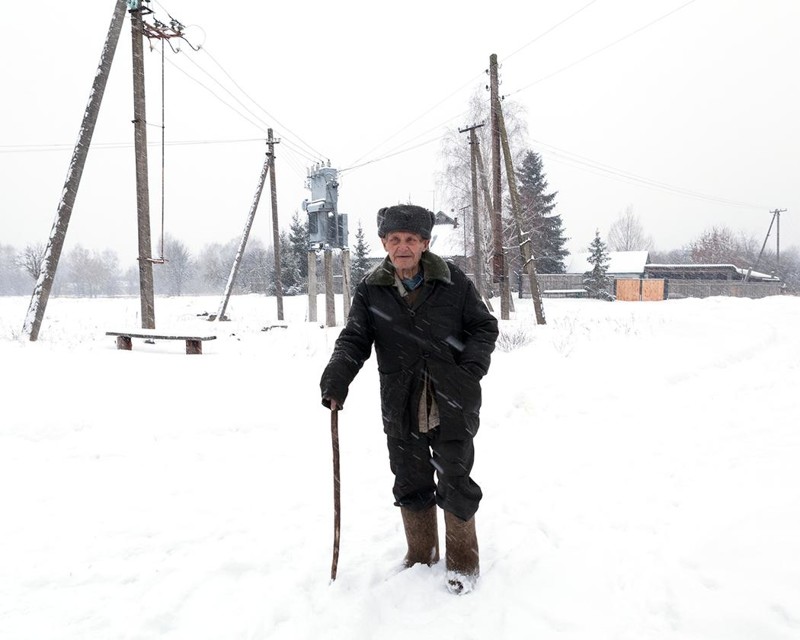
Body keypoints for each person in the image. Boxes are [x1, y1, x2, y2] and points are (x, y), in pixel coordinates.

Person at [319, 204, 498, 594]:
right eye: (395, 239)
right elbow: (354, 339)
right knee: (410, 477)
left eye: (411, 240)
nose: (403, 247)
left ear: (425, 244)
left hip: (451, 399)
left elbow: (484, 327)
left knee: (455, 477)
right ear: (384, 243)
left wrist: (469, 371)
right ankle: (421, 555)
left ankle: (464, 563)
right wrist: (337, 379)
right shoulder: (371, 289)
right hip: (401, 401)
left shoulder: (453, 282)